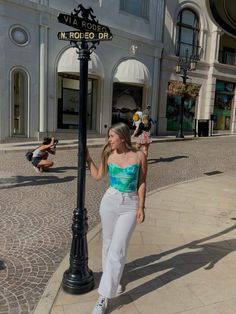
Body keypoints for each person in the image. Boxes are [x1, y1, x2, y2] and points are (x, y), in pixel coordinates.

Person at [86, 122, 147, 314]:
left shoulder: (139, 156)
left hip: (130, 204)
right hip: (110, 202)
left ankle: (103, 296)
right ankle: (111, 282)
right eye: (108, 136)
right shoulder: (108, 155)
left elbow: (142, 182)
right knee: (108, 244)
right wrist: (88, 160)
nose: (109, 140)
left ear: (122, 136)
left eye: (112, 136)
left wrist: (141, 207)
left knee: (118, 249)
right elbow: (97, 176)